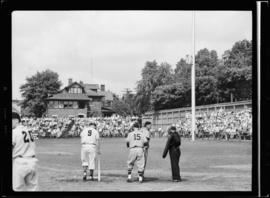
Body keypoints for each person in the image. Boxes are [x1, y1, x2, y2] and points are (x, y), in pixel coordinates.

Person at [12, 111, 38, 191]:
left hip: (20, 162)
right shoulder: (28, 130)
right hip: (33, 162)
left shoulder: (14, 132)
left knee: (17, 189)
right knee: (32, 189)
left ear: (16, 120)